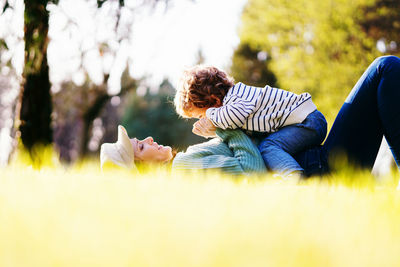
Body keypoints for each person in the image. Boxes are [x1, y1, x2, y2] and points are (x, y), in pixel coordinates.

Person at [100, 56, 400, 182]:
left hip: (319, 161)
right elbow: (253, 169)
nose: (150, 139)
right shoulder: (182, 166)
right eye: (141, 147)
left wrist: (224, 125)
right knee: (384, 69)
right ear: (145, 170)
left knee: (384, 78)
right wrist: (225, 127)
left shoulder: (185, 165)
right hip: (319, 166)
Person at [173, 65, 327, 177]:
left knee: (268, 147)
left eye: (201, 116)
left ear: (213, 100)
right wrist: (214, 132)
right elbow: (239, 129)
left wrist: (211, 117)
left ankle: (294, 178)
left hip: (307, 121)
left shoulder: (237, 97)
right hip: (303, 123)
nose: (204, 119)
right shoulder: (233, 106)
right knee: (269, 146)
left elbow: (232, 117)